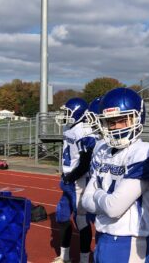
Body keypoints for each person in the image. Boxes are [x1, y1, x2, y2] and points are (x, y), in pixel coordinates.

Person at [82, 87, 149, 263]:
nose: (117, 127)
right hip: (102, 236)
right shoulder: (103, 150)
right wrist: (103, 199)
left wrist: (97, 193)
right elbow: (85, 202)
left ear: (137, 118)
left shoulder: (145, 153)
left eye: (123, 120)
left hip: (129, 242)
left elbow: (114, 207)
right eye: (112, 122)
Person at [54, 98, 97, 263]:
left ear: (78, 113)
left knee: (81, 220)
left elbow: (86, 162)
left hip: (79, 181)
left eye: (67, 112)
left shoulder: (84, 131)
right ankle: (64, 257)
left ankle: (84, 260)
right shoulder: (69, 127)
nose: (64, 115)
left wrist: (71, 176)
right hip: (68, 180)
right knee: (62, 217)